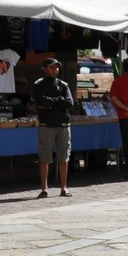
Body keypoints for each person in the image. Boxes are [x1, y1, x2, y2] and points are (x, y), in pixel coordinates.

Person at [32, 58, 74, 199]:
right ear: (44, 69)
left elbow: (69, 103)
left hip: (63, 125)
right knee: (45, 157)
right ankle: (44, 188)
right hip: (46, 125)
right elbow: (41, 101)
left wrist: (50, 104)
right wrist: (58, 102)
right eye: (51, 67)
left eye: (56, 67)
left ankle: (64, 188)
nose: (55, 70)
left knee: (64, 157)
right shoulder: (39, 84)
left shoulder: (63, 85)